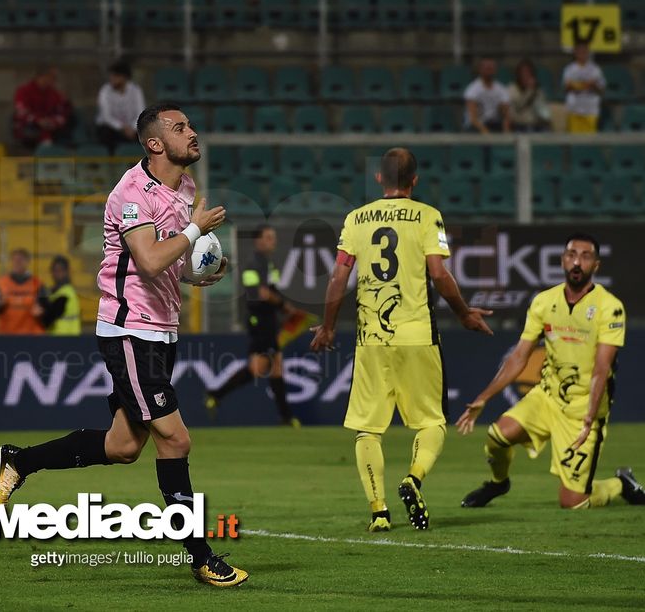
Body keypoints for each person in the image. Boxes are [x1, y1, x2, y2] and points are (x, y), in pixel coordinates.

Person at [0, 103, 248, 587]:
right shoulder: (131, 193)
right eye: (180, 128)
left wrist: (201, 271)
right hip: (129, 331)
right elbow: (149, 262)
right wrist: (196, 230)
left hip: (160, 330)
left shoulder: (185, 187)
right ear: (154, 144)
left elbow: (169, 266)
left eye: (191, 124)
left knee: (124, 445)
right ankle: (201, 558)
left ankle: (19, 460)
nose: (192, 132)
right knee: (175, 439)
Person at [309, 148, 494, 533]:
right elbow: (439, 274)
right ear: (415, 180)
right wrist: (462, 312)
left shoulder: (356, 219)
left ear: (379, 179)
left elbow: (338, 278)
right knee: (431, 421)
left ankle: (378, 511)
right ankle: (414, 477)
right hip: (417, 335)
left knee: (367, 429)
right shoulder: (428, 216)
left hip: (371, 339)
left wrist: (327, 326)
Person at [456, 233, 645, 510]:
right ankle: (498, 483)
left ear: (596, 265)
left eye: (585, 256)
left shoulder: (610, 308)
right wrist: (484, 397)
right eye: (571, 255)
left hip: (583, 411)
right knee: (497, 436)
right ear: (562, 260)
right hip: (547, 397)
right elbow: (520, 356)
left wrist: (589, 418)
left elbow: (601, 369)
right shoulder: (544, 302)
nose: (577, 262)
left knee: (573, 502)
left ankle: (621, 484)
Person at [204, 224, 299, 426]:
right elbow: (260, 294)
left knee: (274, 366)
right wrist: (284, 305)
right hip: (261, 322)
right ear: (258, 240)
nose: (272, 241)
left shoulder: (266, 263)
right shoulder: (254, 264)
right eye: (268, 237)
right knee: (262, 368)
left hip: (269, 321)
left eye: (273, 237)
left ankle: (285, 416)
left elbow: (270, 290)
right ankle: (216, 394)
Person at [0, 248, 48, 334]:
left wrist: (41, 312)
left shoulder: (38, 284)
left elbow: (46, 309)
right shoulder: (0, 284)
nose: (18, 262)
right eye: (15, 259)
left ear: (27, 261)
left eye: (21, 259)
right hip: (7, 335)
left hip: (31, 335)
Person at [13, 66, 73, 149]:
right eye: (52, 77)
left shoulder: (54, 93)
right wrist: (38, 120)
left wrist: (54, 122)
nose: (54, 80)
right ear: (41, 76)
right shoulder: (23, 91)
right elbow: (21, 112)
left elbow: (63, 111)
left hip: (51, 128)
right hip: (30, 128)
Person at [96, 60, 146, 153]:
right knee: (105, 133)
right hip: (112, 128)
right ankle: (111, 162)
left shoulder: (135, 90)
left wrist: (132, 128)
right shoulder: (105, 91)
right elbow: (106, 117)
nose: (111, 79)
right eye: (111, 75)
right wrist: (122, 128)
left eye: (115, 76)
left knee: (146, 132)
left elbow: (141, 113)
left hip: (132, 128)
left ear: (124, 77)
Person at [563, 42, 606, 134]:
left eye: (584, 51)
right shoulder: (569, 69)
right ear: (575, 53)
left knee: (590, 142)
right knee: (575, 140)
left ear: (588, 52)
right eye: (579, 51)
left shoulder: (595, 69)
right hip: (574, 110)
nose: (582, 54)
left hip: (590, 109)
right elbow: (566, 88)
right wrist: (575, 86)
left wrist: (593, 85)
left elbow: (602, 89)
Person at [463, 57, 511, 133]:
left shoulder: (501, 89)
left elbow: (506, 115)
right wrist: (485, 131)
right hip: (476, 125)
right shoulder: (472, 89)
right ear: (480, 69)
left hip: (494, 123)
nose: (489, 70)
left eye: (491, 67)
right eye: (487, 68)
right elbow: (473, 118)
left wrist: (506, 132)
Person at [39, 255, 81, 335]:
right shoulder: (58, 291)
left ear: (66, 272)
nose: (56, 274)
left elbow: (49, 318)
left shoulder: (66, 294)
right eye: (54, 270)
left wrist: (43, 302)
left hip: (65, 337)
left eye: (60, 270)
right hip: (61, 337)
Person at [508, 59, 552, 133]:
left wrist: (536, 92)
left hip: (537, 126)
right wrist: (529, 91)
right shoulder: (512, 88)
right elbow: (519, 106)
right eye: (523, 72)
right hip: (520, 127)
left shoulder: (537, 90)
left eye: (528, 73)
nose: (526, 75)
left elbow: (545, 113)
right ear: (518, 74)